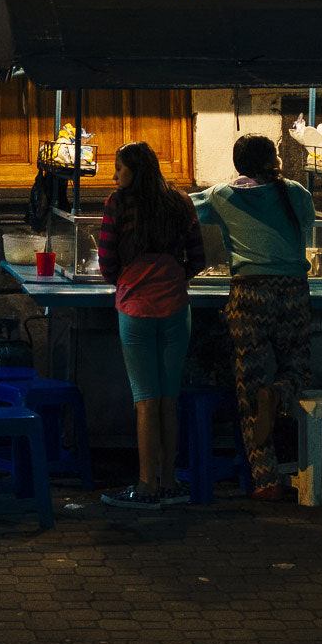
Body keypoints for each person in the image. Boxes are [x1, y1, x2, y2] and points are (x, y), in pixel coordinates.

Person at [190, 133, 316, 500]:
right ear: (273, 159)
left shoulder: (221, 195)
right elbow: (306, 224)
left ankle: (266, 481)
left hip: (249, 293)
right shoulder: (294, 192)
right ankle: (278, 394)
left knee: (249, 385)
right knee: (300, 366)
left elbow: (184, 211)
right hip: (293, 291)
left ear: (237, 163)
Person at [97, 142, 206, 510]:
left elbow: (106, 259)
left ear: (135, 171)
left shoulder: (118, 202)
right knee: (168, 400)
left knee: (145, 402)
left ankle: (146, 487)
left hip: (136, 308)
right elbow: (198, 256)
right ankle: (170, 482)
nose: (115, 175)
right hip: (177, 308)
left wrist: (127, 280)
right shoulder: (181, 201)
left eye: (118, 167)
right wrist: (173, 277)